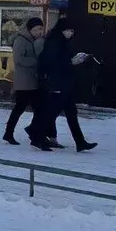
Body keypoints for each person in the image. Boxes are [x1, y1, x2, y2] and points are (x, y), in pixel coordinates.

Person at [39, 18, 97, 153]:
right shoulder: (54, 42)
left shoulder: (64, 42)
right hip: (58, 82)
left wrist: (76, 60)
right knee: (52, 113)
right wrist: (71, 62)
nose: (71, 33)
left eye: (72, 31)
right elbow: (52, 62)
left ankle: (80, 142)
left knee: (71, 113)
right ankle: (36, 133)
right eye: (69, 30)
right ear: (62, 30)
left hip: (66, 83)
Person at [4, 18, 48, 149]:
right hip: (24, 81)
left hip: (32, 80)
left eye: (41, 29)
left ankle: (33, 133)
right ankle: (10, 133)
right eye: (37, 29)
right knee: (20, 108)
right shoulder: (21, 40)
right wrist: (36, 61)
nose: (40, 32)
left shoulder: (35, 40)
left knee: (37, 108)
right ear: (30, 29)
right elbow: (19, 59)